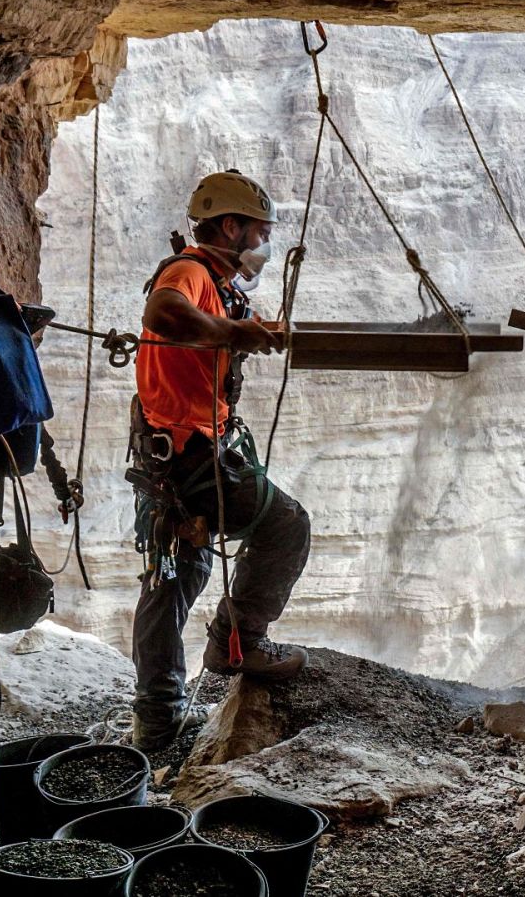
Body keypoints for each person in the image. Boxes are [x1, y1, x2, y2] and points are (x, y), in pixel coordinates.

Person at [128, 170, 313, 752]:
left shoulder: (215, 282)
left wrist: (242, 331)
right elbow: (163, 313)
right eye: (260, 233)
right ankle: (240, 642)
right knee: (286, 525)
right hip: (187, 457)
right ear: (230, 226)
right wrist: (235, 332)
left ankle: (157, 722)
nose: (263, 246)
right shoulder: (189, 272)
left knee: (176, 578)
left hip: (175, 454)